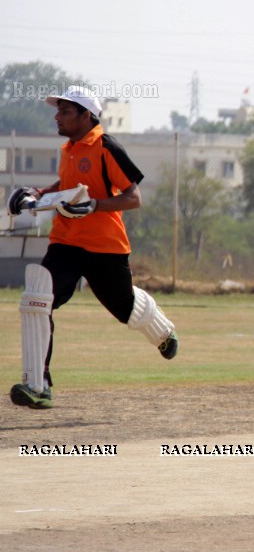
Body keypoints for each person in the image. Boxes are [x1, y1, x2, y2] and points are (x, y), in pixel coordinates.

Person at [7, 86, 178, 410]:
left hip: (104, 247)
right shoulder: (69, 148)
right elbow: (67, 187)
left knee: (124, 306)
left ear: (86, 115)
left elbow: (133, 197)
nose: (57, 116)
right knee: (36, 301)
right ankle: (37, 385)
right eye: (57, 111)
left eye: (65, 111)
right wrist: (40, 193)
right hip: (66, 242)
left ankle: (162, 331)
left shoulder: (105, 147)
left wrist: (93, 206)